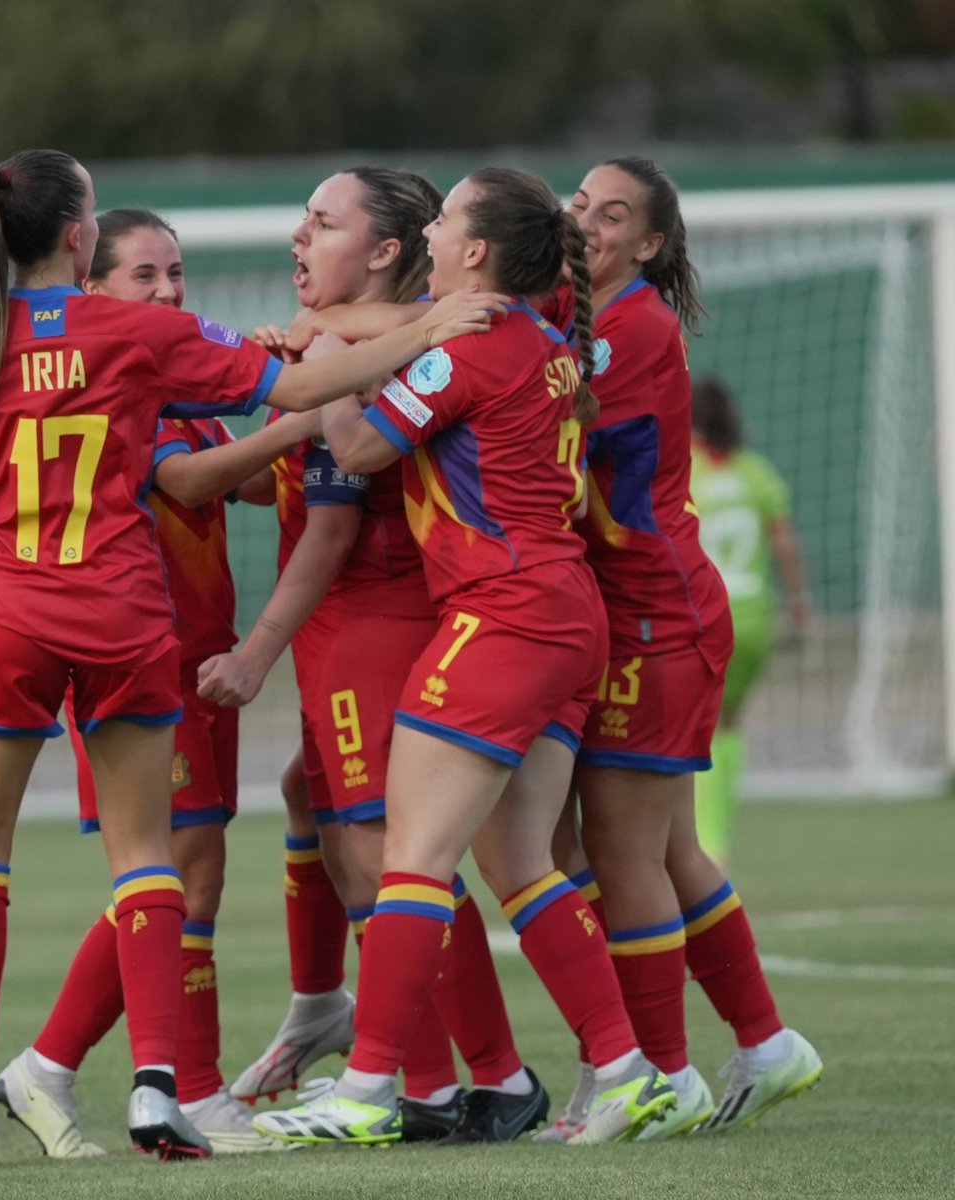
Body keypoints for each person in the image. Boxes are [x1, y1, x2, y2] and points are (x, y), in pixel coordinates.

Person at [0, 148, 505, 1166]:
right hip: (124, 620)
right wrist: (428, 326)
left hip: (10, 616)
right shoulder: (141, 334)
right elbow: (294, 385)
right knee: (150, 859)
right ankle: (159, 1090)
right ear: (77, 240)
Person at [253, 168, 676, 1149]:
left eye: (445, 220)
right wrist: (359, 340)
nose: (435, 230)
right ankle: (624, 1068)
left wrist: (325, 372)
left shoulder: (473, 342)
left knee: (412, 860)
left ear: (476, 251)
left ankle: (370, 1090)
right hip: (566, 615)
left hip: (507, 614)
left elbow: (358, 453)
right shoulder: (540, 340)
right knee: (524, 866)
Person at [203, 167, 534, 1143]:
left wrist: (257, 648)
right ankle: (413, 1069)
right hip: (347, 629)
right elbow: (290, 482)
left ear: (386, 251)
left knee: (390, 852)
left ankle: (447, 1079)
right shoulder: (341, 341)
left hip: (375, 618)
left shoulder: (392, 346)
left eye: (321, 221)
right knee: (342, 823)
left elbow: (337, 517)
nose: (297, 236)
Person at [0, 208, 317, 1157]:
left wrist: (275, 415)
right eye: (145, 275)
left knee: (190, 874)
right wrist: (298, 415)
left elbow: (246, 483)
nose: (170, 291)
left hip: (197, 656)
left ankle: (69, 1071)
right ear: (93, 285)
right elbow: (186, 482)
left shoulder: (176, 372)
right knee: (172, 875)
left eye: (177, 273)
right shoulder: (115, 379)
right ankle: (137, 1078)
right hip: (138, 654)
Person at [542, 157, 822, 1139]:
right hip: (633, 613)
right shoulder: (570, 309)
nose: (587, 224)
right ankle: (762, 1043)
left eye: (612, 215)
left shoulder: (633, 326)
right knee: (656, 847)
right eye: (578, 204)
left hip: (656, 616)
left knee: (619, 849)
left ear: (650, 245)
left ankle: (658, 1074)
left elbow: (552, 448)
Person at [690, 376, 809, 865]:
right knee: (728, 724)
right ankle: (716, 839)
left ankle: (701, 845)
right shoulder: (755, 473)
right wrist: (798, 600)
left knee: (688, 729)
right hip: (754, 619)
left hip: (702, 617)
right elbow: (783, 541)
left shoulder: (684, 471)